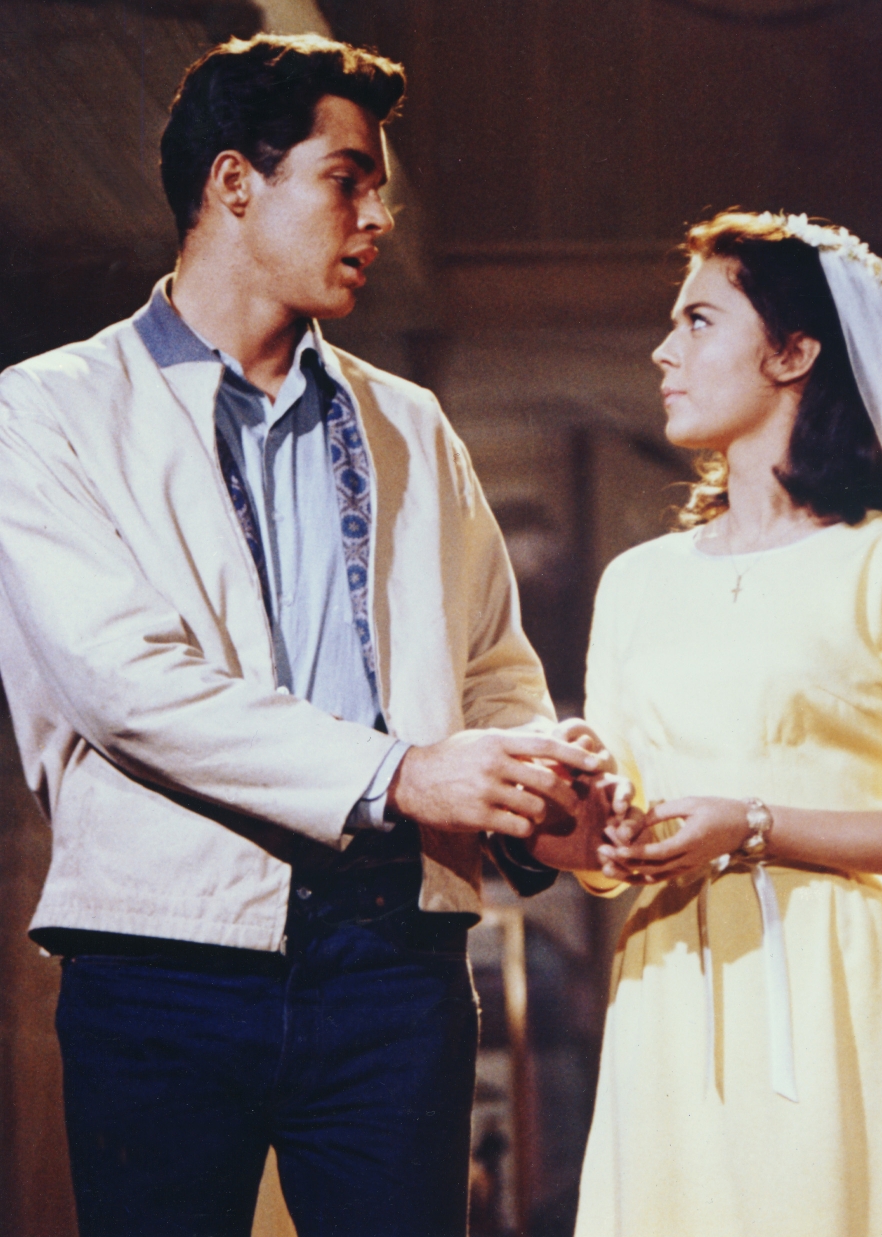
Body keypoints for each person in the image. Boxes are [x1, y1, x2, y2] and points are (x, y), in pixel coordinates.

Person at [0, 33, 614, 1237]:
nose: (377, 216)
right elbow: (125, 686)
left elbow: (492, 665)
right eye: (347, 180)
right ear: (235, 183)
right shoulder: (48, 412)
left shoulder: (410, 423)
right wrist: (404, 772)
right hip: (165, 955)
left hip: (396, 958)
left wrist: (533, 776)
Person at [571, 211, 882, 1237]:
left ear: (793, 353)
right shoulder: (635, 581)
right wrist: (589, 817)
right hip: (668, 988)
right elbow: (607, 854)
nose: (663, 350)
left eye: (698, 321)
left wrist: (750, 824)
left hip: (839, 990)